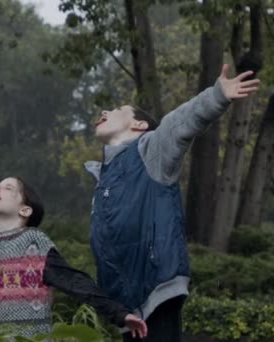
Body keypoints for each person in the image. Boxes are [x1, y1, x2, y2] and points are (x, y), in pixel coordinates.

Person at [85, 64, 260, 341]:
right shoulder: (104, 176)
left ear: (139, 125)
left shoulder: (150, 151)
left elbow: (180, 123)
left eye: (117, 110)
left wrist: (216, 96)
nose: (104, 112)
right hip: (125, 302)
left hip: (156, 287)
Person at [0, 176, 148, 339]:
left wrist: (119, 314)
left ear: (25, 210)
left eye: (8, 188)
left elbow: (73, 281)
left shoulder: (34, 242)